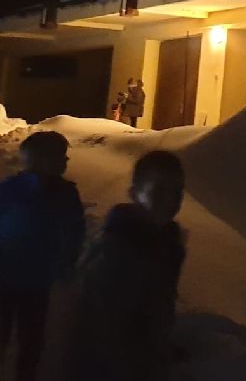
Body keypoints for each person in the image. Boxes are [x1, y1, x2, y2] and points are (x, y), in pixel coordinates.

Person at [64, 150, 186, 381]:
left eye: (177, 192)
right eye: (158, 191)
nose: (171, 201)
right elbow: (104, 331)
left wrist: (161, 349)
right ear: (133, 193)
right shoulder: (117, 250)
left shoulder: (166, 244)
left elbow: (156, 308)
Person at [0, 131, 85, 381]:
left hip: (39, 281)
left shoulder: (66, 194)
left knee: (32, 340)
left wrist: (67, 261)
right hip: (6, 276)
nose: (66, 161)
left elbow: (75, 230)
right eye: (60, 156)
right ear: (40, 159)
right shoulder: (11, 190)